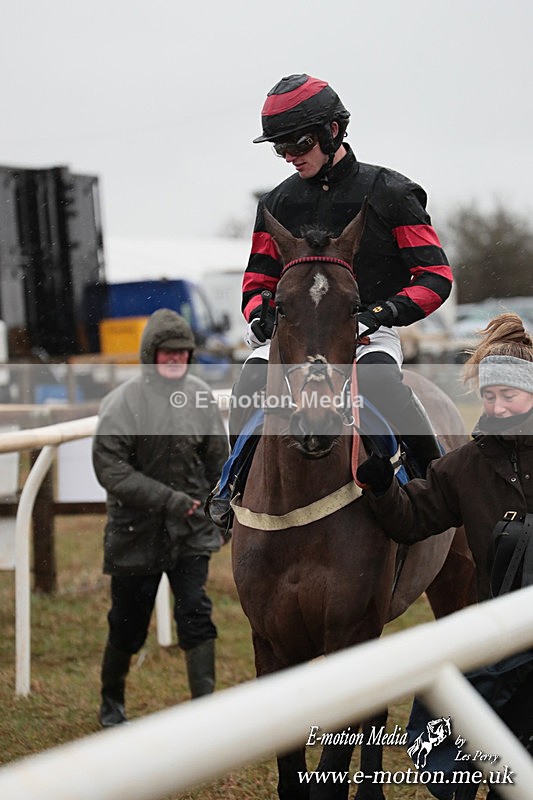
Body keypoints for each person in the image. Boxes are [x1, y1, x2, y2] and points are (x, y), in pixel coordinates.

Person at [208, 73, 453, 527]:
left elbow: (436, 276)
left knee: (380, 384)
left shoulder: (392, 193)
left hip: (367, 332)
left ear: (333, 132)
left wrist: (380, 314)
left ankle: (434, 481)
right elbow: (256, 281)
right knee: (249, 381)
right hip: (296, 335)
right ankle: (233, 482)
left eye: (297, 144)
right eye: (279, 148)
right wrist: (259, 312)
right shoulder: (276, 203)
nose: (288, 157)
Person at [356, 312, 533, 798]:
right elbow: (413, 517)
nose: (497, 406)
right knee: (446, 754)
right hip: (495, 633)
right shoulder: (465, 467)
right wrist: (381, 488)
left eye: (510, 395)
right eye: (490, 395)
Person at [92, 308, 229, 727]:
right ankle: (111, 703)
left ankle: (204, 711)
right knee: (128, 626)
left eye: (182, 353)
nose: (175, 360)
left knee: (195, 615)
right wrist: (168, 500)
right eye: (167, 353)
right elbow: (110, 468)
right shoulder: (122, 402)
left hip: (190, 534)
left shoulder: (201, 397)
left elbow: (218, 463)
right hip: (136, 535)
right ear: (150, 355)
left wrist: (218, 518)